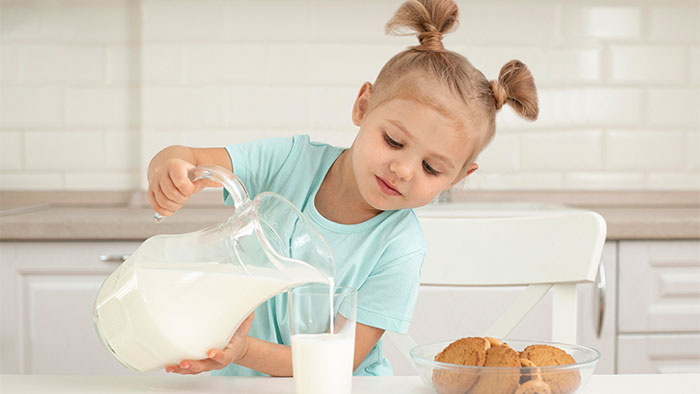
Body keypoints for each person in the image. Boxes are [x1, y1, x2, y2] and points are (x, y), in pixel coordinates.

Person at [147, 0, 538, 377]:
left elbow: (337, 360)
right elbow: (188, 157)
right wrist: (170, 168)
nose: (402, 170)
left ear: (457, 178)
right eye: (394, 141)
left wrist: (244, 350)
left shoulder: (398, 247)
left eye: (432, 168)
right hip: (232, 381)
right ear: (363, 106)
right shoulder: (290, 162)